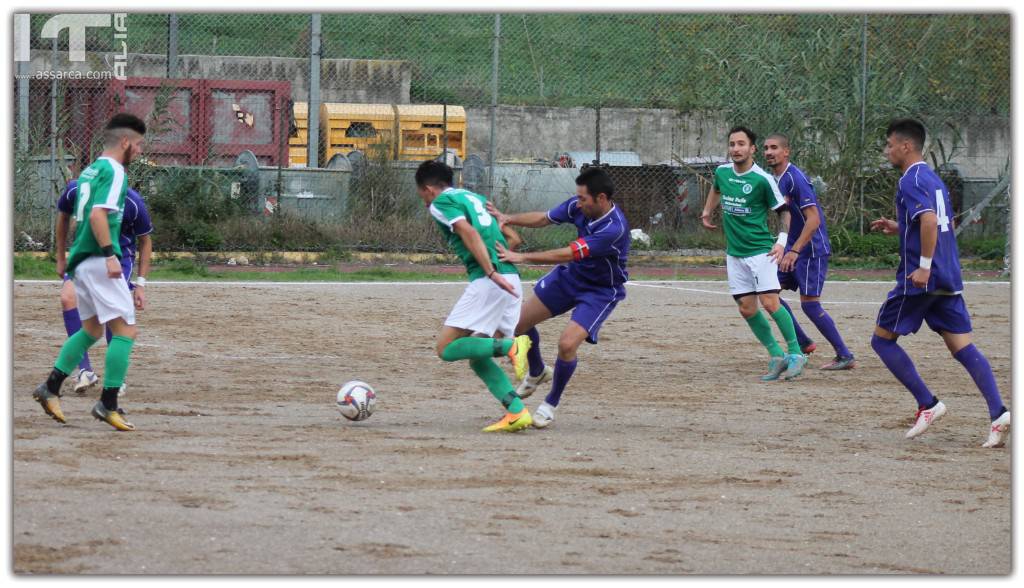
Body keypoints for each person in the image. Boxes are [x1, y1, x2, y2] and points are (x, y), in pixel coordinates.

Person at [870, 118, 1010, 447]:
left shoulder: (909, 180)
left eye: (890, 144)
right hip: (949, 277)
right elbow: (929, 223)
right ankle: (998, 412)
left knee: (882, 341)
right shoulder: (932, 178)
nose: (888, 150)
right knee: (962, 347)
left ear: (906, 146)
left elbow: (930, 221)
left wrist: (922, 267)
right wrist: (900, 226)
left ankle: (928, 404)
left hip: (923, 280)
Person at [488, 166, 630, 428]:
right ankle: (537, 370)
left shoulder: (614, 229)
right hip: (570, 278)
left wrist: (523, 257)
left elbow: (569, 253)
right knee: (518, 324)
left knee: (567, 345)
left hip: (599, 291)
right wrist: (508, 218)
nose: (578, 203)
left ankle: (550, 403)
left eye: (583, 198)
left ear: (601, 198)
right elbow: (544, 218)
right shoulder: (580, 207)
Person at [31, 113, 147, 431]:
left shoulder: (89, 170)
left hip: (81, 262)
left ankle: (50, 387)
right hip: (99, 259)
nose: (139, 151)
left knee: (92, 330)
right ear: (124, 142)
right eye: (137, 145)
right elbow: (98, 216)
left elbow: (70, 213)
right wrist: (111, 255)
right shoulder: (115, 171)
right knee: (125, 331)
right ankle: (108, 404)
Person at [415, 160, 533, 433]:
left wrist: (490, 272)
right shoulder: (475, 198)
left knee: (446, 348)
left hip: (491, 282)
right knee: (477, 356)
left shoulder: (440, 203)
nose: (423, 200)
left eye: (421, 193)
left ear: (429, 189)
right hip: (511, 278)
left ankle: (510, 347)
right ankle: (517, 412)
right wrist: (499, 263)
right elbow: (513, 240)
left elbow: (467, 232)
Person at [700, 126, 806, 381]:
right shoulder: (723, 172)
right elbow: (716, 188)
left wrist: (781, 242)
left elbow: (784, 212)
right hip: (734, 254)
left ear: (752, 149)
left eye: (741, 144)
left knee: (770, 303)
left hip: (761, 252)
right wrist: (707, 211)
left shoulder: (762, 179)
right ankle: (776, 356)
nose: (736, 149)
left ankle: (796, 353)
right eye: (732, 144)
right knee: (747, 309)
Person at [763, 133, 855, 370]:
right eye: (766, 148)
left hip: (810, 250)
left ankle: (845, 355)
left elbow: (813, 220)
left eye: (774, 147)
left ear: (786, 152)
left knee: (810, 304)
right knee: (768, 293)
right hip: (792, 249)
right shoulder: (776, 179)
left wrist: (794, 250)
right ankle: (803, 342)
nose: (769, 152)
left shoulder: (795, 179)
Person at [56, 179, 153, 397]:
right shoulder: (78, 189)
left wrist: (141, 284)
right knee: (67, 298)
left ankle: (114, 380)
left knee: (113, 315)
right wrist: (61, 256)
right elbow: (62, 216)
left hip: (118, 262)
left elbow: (145, 241)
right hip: (84, 258)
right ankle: (84, 371)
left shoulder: (131, 201)